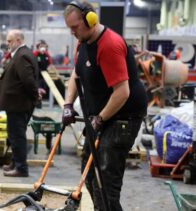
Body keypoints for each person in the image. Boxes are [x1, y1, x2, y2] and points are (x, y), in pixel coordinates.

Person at [62, 1, 147, 210]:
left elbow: (122, 92)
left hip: (121, 119)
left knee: (105, 184)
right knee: (89, 176)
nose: (73, 33)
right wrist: (67, 104)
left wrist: (100, 118)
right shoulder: (82, 42)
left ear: (91, 20)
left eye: (75, 27)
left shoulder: (109, 45)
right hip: (101, 117)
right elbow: (76, 75)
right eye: (70, 28)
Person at [0, 29, 40, 177]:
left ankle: (21, 168)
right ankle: (15, 164)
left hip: (18, 104)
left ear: (19, 41)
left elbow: (28, 81)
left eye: (10, 41)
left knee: (17, 136)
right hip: (17, 104)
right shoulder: (21, 54)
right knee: (15, 135)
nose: (7, 44)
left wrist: (35, 97)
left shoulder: (22, 56)